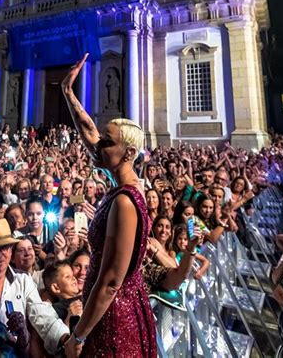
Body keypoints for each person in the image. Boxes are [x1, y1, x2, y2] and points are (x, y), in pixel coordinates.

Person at [61, 53, 157, 357]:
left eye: (108, 142)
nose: (99, 144)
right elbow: (89, 133)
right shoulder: (120, 183)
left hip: (114, 315)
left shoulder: (126, 201)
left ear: (128, 153)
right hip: (109, 309)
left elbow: (112, 281)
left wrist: (78, 336)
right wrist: (67, 92)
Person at [0, 218, 70, 355]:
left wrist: (64, 338)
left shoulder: (23, 280)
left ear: (10, 251)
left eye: (3, 247)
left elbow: (41, 314)